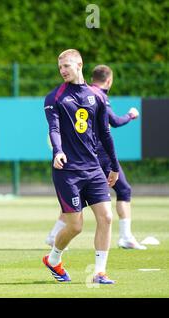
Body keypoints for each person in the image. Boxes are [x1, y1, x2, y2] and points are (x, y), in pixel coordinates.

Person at [45, 65, 145, 250]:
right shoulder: (97, 96)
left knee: (78, 201)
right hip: (96, 157)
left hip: (87, 157)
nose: (63, 70)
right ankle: (126, 236)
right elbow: (112, 124)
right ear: (109, 80)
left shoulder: (86, 93)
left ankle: (54, 235)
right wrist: (131, 115)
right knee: (123, 190)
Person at [43, 49, 120, 284]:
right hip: (67, 171)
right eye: (60, 68)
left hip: (93, 168)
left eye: (67, 65)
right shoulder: (54, 97)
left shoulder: (95, 96)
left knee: (106, 217)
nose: (63, 70)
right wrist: (58, 151)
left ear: (79, 64)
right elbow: (54, 129)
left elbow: (105, 134)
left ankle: (99, 273)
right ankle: (54, 259)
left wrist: (114, 166)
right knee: (75, 226)